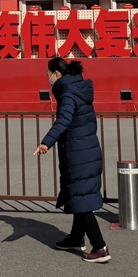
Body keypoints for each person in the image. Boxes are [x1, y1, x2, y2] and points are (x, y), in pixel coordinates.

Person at [33, 57, 110, 263]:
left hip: (79, 153)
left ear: (57, 74)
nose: (48, 79)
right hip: (85, 150)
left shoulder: (67, 94)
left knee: (82, 202)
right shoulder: (77, 88)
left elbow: (64, 120)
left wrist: (46, 143)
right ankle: (76, 237)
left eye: (48, 75)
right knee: (79, 196)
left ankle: (100, 247)